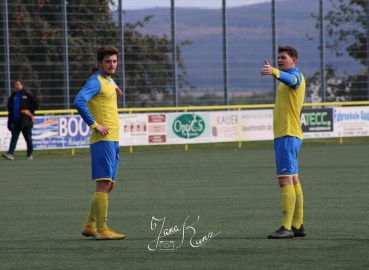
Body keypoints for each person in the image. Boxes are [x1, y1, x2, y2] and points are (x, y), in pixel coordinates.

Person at [74, 45, 125, 240]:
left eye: (114, 61)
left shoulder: (108, 81)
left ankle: (89, 226)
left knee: (109, 185)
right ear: (99, 64)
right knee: (104, 184)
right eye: (107, 61)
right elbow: (79, 101)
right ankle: (102, 230)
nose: (112, 64)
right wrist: (94, 124)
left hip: (112, 139)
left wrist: (114, 90)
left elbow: (117, 93)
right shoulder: (96, 82)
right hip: (102, 140)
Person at [260, 46, 306, 239]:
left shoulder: (294, 75)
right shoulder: (285, 76)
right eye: (278, 58)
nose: (279, 60)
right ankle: (298, 225)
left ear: (293, 60)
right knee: (293, 179)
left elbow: (293, 81)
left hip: (287, 136)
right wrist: (277, 73)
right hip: (288, 135)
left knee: (284, 180)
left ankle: (286, 228)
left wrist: (275, 72)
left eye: (283, 57)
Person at [2, 80, 39, 160]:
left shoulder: (27, 94)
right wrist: (10, 122)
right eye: (15, 85)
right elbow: (10, 110)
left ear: (22, 85)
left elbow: (36, 103)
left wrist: (30, 112)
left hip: (25, 121)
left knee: (28, 138)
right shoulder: (13, 96)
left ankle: (29, 154)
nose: (16, 86)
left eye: (17, 85)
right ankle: (10, 154)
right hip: (16, 121)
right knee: (14, 138)